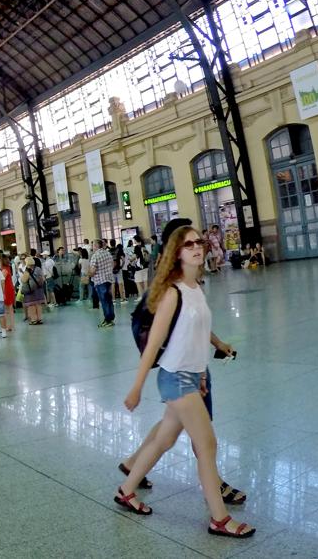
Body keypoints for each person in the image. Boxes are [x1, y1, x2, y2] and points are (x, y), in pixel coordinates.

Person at [117, 225, 254, 538]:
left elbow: (195, 333)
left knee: (163, 440)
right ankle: (219, 518)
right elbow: (153, 344)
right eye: (189, 244)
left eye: (199, 242)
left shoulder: (196, 288)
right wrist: (136, 387)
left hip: (191, 376)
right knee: (207, 445)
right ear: (177, 253)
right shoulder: (172, 292)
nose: (197, 248)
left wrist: (206, 364)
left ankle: (126, 490)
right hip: (175, 379)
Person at [88, 239, 116, 328]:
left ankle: (107, 320)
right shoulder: (107, 253)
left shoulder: (95, 256)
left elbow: (92, 271)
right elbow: (113, 264)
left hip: (100, 281)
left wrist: (88, 274)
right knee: (109, 300)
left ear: (96, 246)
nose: (92, 247)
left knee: (104, 301)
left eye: (92, 245)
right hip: (108, 280)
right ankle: (111, 318)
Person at [20, 257, 46, 325]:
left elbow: (23, 280)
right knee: (38, 305)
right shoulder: (38, 269)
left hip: (31, 291)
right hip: (39, 289)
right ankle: (39, 319)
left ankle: (34, 320)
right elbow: (43, 278)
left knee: (31, 306)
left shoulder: (27, 270)